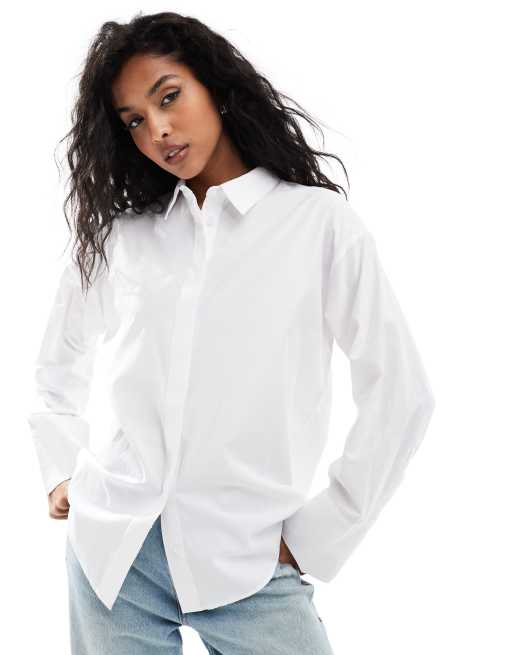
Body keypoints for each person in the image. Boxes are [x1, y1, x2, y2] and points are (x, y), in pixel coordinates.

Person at [27, 10, 436, 655]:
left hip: (248, 559)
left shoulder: (318, 224)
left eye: (168, 97)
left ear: (214, 87)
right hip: (115, 555)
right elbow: (58, 362)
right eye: (134, 120)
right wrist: (60, 467)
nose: (158, 129)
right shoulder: (126, 236)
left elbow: (401, 393)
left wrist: (320, 533)